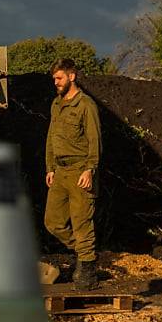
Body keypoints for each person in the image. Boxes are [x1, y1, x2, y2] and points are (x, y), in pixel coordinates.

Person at [44, 58, 102, 290]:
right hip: (60, 172)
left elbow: (95, 140)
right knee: (53, 222)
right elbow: (51, 137)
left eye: (59, 78)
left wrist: (90, 169)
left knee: (81, 223)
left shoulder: (86, 105)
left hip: (80, 171)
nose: (55, 83)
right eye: (54, 79)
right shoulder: (56, 104)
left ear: (72, 76)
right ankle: (86, 254)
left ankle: (87, 273)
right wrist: (50, 168)